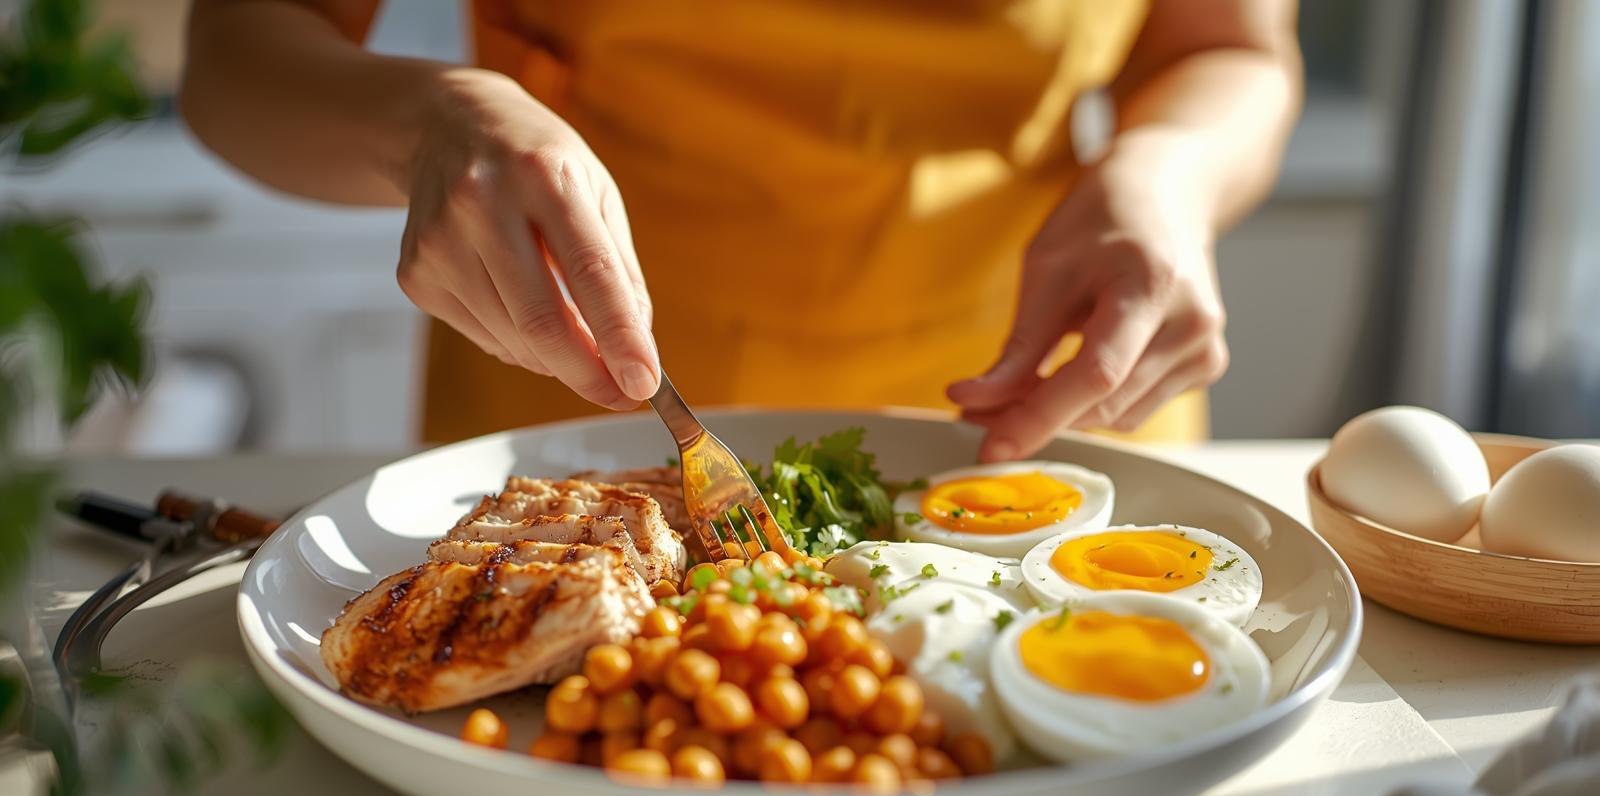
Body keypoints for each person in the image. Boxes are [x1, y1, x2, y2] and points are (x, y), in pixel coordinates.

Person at [181, 0, 1301, 460]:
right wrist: (422, 127)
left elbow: (1229, 47)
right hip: (582, 423)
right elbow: (237, 49)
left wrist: (1170, 170)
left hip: (1050, 419)